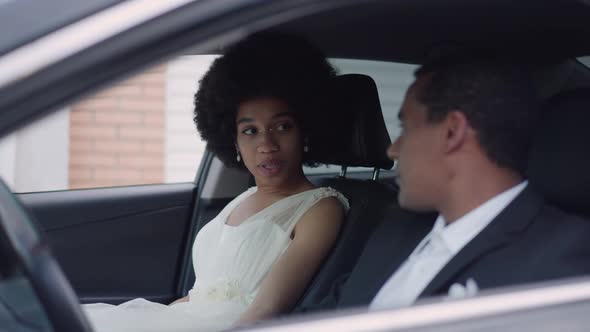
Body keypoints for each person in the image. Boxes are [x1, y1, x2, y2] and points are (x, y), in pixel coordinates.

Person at [83, 32, 349, 332]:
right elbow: (201, 295)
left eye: (282, 126)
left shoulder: (321, 207)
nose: (267, 144)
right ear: (233, 141)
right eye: (250, 131)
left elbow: (267, 309)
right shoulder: (242, 198)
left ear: (305, 131)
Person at [296, 57, 590, 313]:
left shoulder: (566, 261)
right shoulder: (396, 230)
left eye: (406, 128)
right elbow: (321, 316)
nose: (393, 150)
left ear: (452, 132)